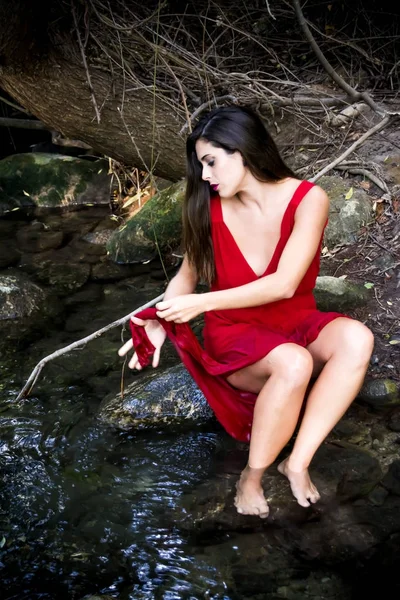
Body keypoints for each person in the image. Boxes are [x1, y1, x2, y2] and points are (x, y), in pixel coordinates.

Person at [118, 106, 374, 519]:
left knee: (358, 338)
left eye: (211, 161)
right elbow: (187, 276)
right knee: (294, 363)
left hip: (297, 321)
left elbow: (285, 284)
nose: (204, 175)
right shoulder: (208, 209)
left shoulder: (309, 199)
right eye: (201, 165)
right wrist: (164, 318)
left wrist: (200, 303)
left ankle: (297, 462)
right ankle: (251, 477)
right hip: (237, 336)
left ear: (243, 151)